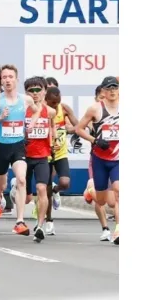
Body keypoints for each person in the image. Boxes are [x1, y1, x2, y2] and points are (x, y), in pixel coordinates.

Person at [0, 65, 41, 237]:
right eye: (4, 77)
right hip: (1, 148)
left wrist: (32, 124)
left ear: (16, 80)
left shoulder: (25, 100)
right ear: (1, 80)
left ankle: (19, 221)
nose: (7, 80)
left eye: (10, 77)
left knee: (21, 179)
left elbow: (37, 111)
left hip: (18, 145)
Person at [74, 76, 119, 245]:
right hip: (99, 158)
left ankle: (118, 229)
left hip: (119, 158)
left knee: (118, 190)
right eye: (109, 88)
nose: (112, 91)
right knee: (102, 200)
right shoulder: (95, 109)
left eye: (115, 87)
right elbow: (78, 128)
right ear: (103, 92)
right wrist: (95, 140)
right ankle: (91, 192)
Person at [20, 76, 56, 242]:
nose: (35, 94)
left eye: (38, 90)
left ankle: (40, 226)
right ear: (26, 93)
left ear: (45, 91)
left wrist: (53, 141)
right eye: (31, 90)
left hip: (42, 156)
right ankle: (17, 189)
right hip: (24, 157)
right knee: (26, 197)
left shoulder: (50, 111)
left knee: (42, 189)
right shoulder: (22, 110)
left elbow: (52, 127)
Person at [44, 85, 79, 234]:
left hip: (60, 153)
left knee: (64, 182)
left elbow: (77, 126)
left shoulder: (63, 108)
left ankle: (56, 190)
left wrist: (66, 129)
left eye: (57, 102)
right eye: (52, 103)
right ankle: (49, 220)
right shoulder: (42, 111)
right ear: (46, 100)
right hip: (45, 153)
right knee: (46, 187)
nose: (55, 105)